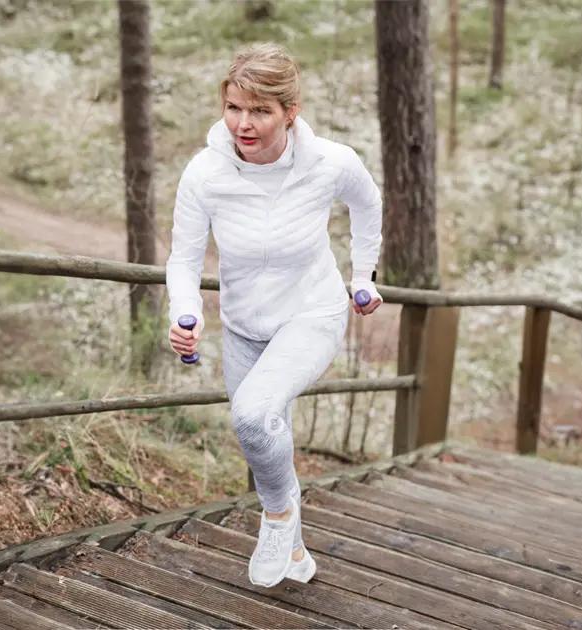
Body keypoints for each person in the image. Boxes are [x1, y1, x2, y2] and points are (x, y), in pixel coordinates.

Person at [164, 42, 384, 588]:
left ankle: (279, 516)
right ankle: (298, 553)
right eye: (234, 107)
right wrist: (186, 314)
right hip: (243, 326)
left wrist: (363, 276)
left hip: (312, 312)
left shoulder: (331, 162)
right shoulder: (204, 173)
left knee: (251, 414)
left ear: (291, 111)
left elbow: (368, 203)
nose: (244, 123)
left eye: (261, 111)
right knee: (262, 429)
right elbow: (184, 258)